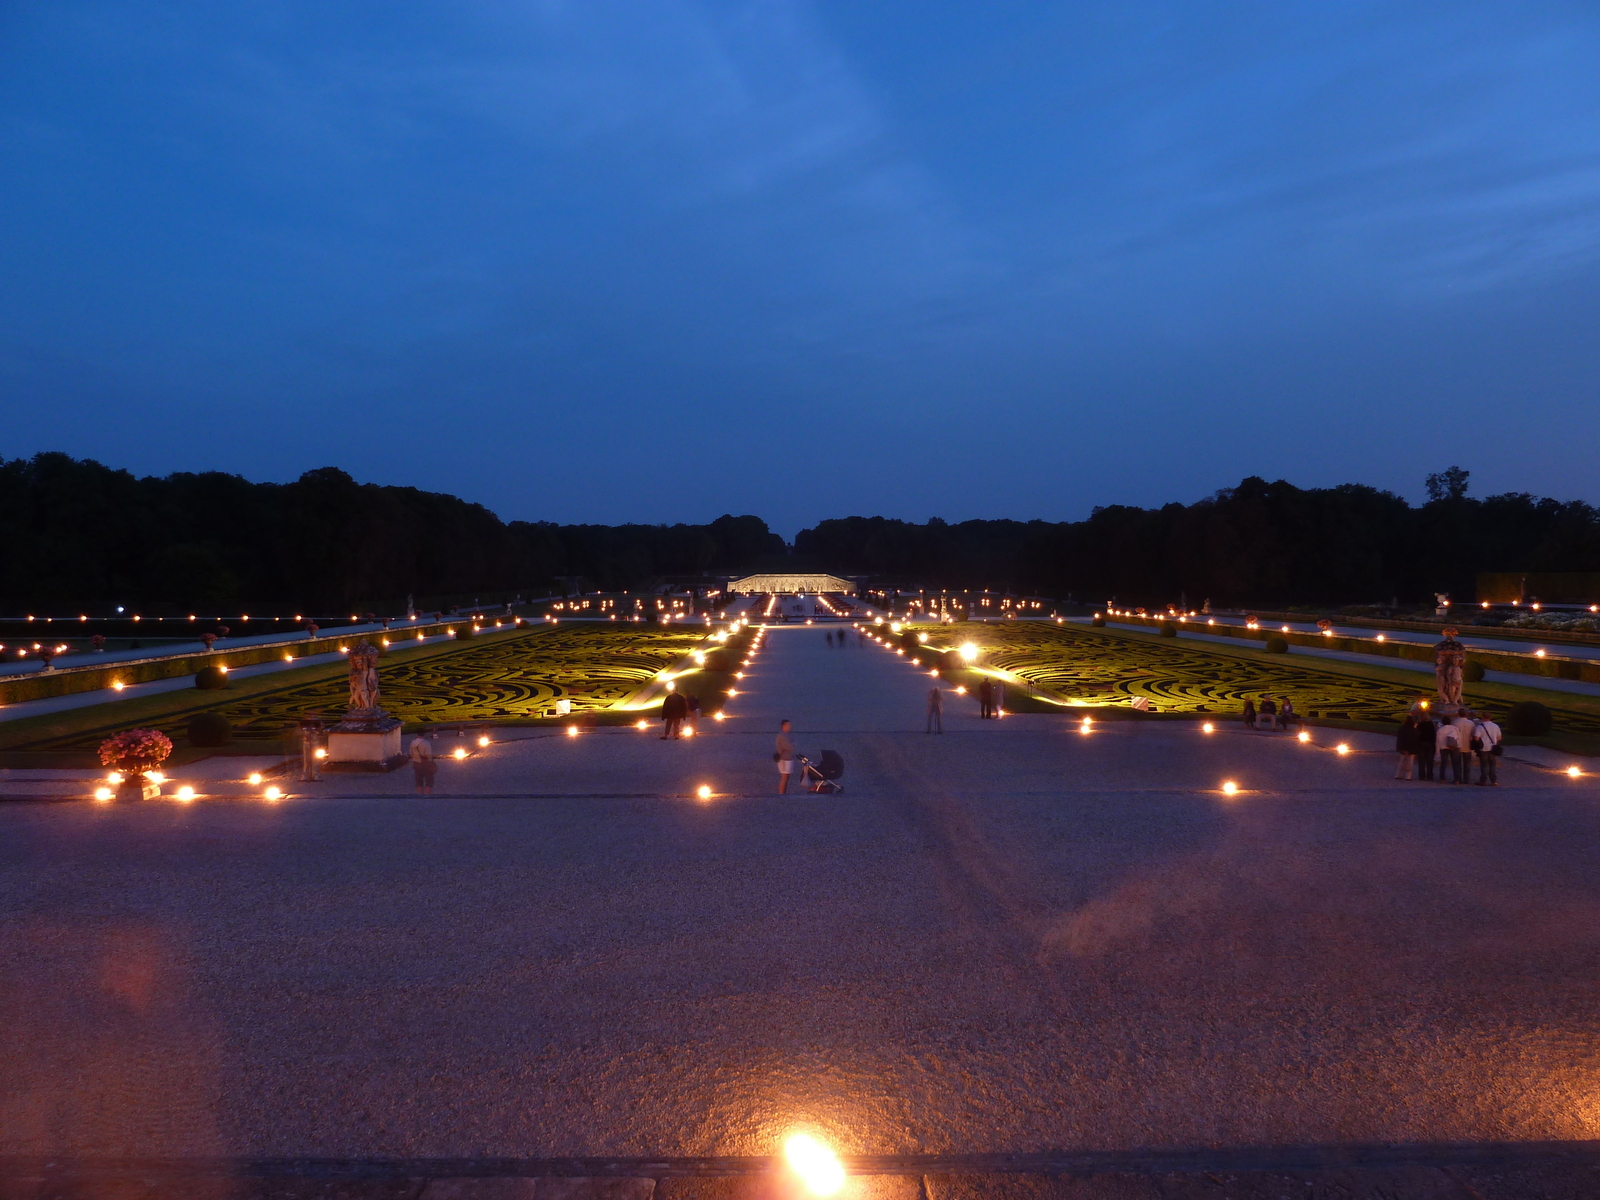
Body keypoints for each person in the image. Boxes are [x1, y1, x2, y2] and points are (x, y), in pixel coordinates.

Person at [1473, 710, 1502, 785]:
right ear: (1491, 717)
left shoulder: (1480, 726)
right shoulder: (1496, 726)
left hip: (1484, 748)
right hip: (1493, 748)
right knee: (1492, 765)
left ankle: (1483, 781)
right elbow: (1499, 737)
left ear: (1482, 717)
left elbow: (1476, 738)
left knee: (1484, 765)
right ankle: (1493, 781)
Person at [1451, 709, 1476, 786]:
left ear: (1458, 714)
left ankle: (1457, 779)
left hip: (1457, 745)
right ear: (1466, 714)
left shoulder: (1454, 722)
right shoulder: (1471, 723)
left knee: (1456, 764)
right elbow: (1474, 734)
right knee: (1467, 764)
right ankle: (1466, 779)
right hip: (1467, 745)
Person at [409, 729, 436, 795]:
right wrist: (430, 761)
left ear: (417, 734)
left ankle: (420, 794)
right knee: (429, 779)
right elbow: (428, 754)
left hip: (416, 763)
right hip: (425, 763)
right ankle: (427, 795)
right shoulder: (426, 743)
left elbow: (411, 754)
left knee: (418, 779)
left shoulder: (413, 743)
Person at [1436, 716, 1461, 784]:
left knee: (1443, 763)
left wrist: (1437, 751)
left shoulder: (1440, 730)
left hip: (1444, 748)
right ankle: (1457, 779)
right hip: (1454, 747)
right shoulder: (1455, 728)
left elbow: (1438, 741)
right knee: (1455, 763)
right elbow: (1458, 737)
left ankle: (1442, 778)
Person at [1395, 712, 1419, 780]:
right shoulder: (1414, 730)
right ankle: (1408, 776)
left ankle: (1398, 774)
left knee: (1402, 761)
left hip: (1403, 747)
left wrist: (1400, 747)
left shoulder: (1402, 728)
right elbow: (1416, 740)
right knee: (1410, 762)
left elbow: (1399, 738)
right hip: (1411, 748)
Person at [775, 720, 796, 794]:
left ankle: (784, 793)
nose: (789, 726)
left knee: (786, 777)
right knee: (784, 777)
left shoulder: (787, 735)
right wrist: (792, 745)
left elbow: (792, 745)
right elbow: (789, 747)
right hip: (784, 759)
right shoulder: (782, 735)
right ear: (783, 726)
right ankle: (781, 794)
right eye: (787, 725)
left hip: (789, 758)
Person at [1415, 712, 1437, 780]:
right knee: (1429, 761)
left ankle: (1421, 775)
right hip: (1430, 743)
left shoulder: (1420, 725)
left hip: (1422, 743)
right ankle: (1430, 776)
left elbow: (1417, 734)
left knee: (1421, 760)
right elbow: (1434, 734)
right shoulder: (1432, 724)